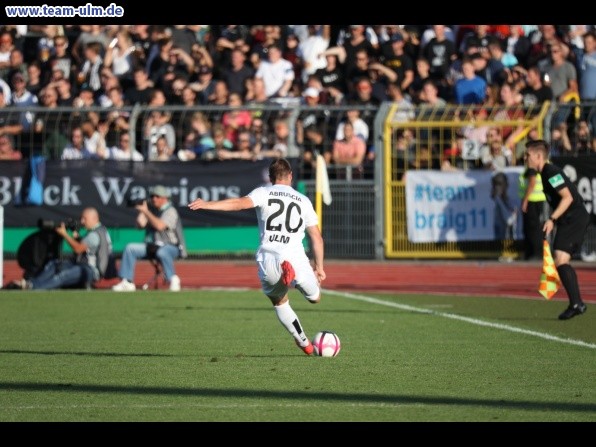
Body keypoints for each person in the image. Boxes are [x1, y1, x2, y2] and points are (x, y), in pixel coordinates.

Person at [188, 158, 326, 355]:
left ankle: (304, 342)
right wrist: (319, 267)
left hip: (268, 258)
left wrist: (207, 204)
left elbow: (238, 204)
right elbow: (317, 238)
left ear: (270, 178)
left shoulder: (263, 192)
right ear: (291, 176)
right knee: (315, 297)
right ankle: (294, 279)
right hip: (295, 257)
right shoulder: (303, 200)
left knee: (279, 301)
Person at [524, 139, 590, 320]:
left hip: (574, 218)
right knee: (560, 258)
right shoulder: (544, 174)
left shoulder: (551, 171)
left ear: (538, 156)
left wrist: (552, 219)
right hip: (568, 219)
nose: (525, 158)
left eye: (528, 155)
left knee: (560, 259)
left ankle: (577, 303)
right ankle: (576, 303)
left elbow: (567, 197)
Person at [10, 208, 114, 290]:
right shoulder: (100, 230)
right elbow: (87, 249)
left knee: (63, 275)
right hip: (83, 265)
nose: (82, 221)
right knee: (55, 264)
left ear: (94, 218)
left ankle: (34, 288)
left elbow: (78, 249)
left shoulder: (94, 235)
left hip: (91, 271)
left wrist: (64, 234)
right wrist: (76, 236)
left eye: (84, 218)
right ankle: (31, 284)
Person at [112, 185, 186, 292]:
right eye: (152, 196)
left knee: (162, 252)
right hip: (153, 246)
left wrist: (147, 212)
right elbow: (139, 225)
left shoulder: (170, 211)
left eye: (157, 196)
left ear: (165, 198)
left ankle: (173, 279)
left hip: (171, 246)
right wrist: (143, 210)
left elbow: (160, 226)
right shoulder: (152, 210)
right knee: (130, 248)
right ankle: (127, 281)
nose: (154, 199)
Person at [518, 164, 548, 260]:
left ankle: (536, 253)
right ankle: (530, 253)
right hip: (534, 200)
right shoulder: (531, 168)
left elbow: (532, 183)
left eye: (527, 155)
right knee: (529, 228)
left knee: (533, 228)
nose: (525, 157)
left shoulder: (532, 168)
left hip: (533, 200)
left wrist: (525, 200)